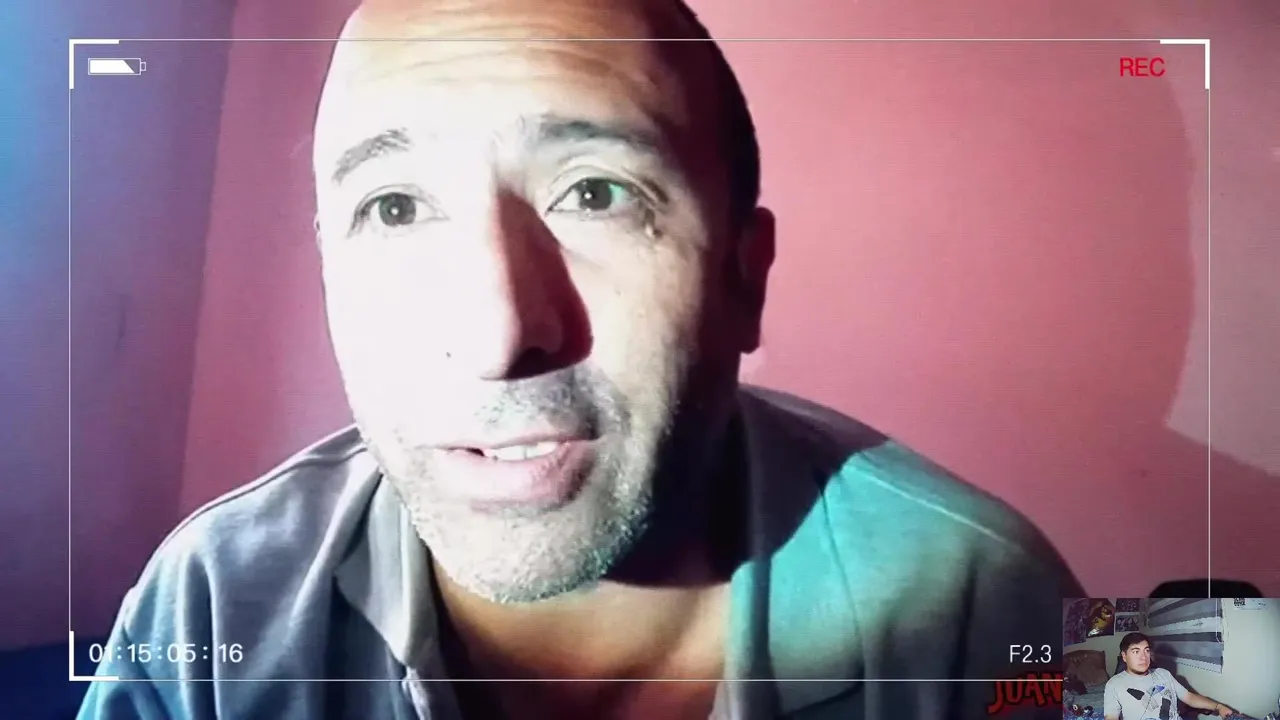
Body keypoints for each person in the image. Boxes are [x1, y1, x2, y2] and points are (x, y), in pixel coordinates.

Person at [78, 0, 1084, 717]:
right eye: (393, 207)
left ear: (743, 279)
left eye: (596, 193)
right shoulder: (210, 599)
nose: (496, 336)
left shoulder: (994, 596)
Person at [1103, 633, 1235, 720]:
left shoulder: (1163, 674)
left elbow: (1189, 697)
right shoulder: (1114, 684)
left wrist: (1218, 706)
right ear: (1124, 656)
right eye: (1136, 651)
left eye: (1146, 650)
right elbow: (1111, 717)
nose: (1143, 657)